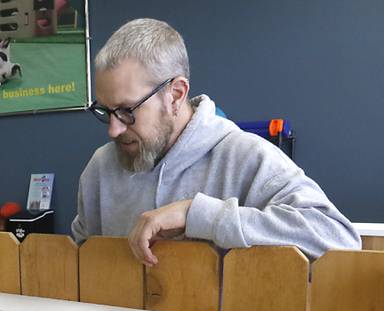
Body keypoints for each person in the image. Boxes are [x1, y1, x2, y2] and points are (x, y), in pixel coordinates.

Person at [71, 18, 360, 266]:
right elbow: (81, 264)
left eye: (127, 111)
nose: (113, 129)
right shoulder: (100, 169)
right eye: (106, 111)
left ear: (175, 94)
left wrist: (195, 214)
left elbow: (340, 240)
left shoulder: (247, 156)